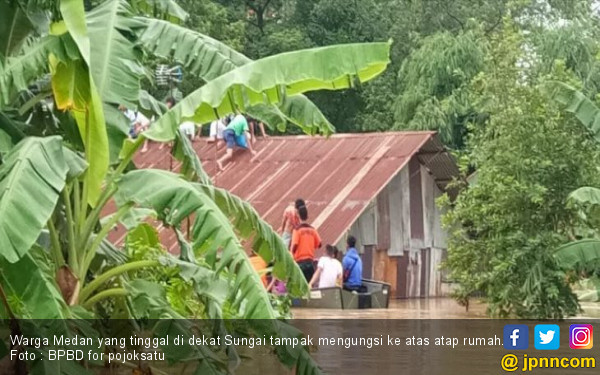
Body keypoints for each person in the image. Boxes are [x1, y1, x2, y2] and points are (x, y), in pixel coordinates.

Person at [291, 204, 321, 282]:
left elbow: (295, 245)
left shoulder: (297, 230)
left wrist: (291, 255)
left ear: (298, 215)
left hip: (300, 263)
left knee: (300, 286)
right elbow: (319, 244)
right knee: (309, 286)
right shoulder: (312, 230)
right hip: (310, 262)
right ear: (307, 216)